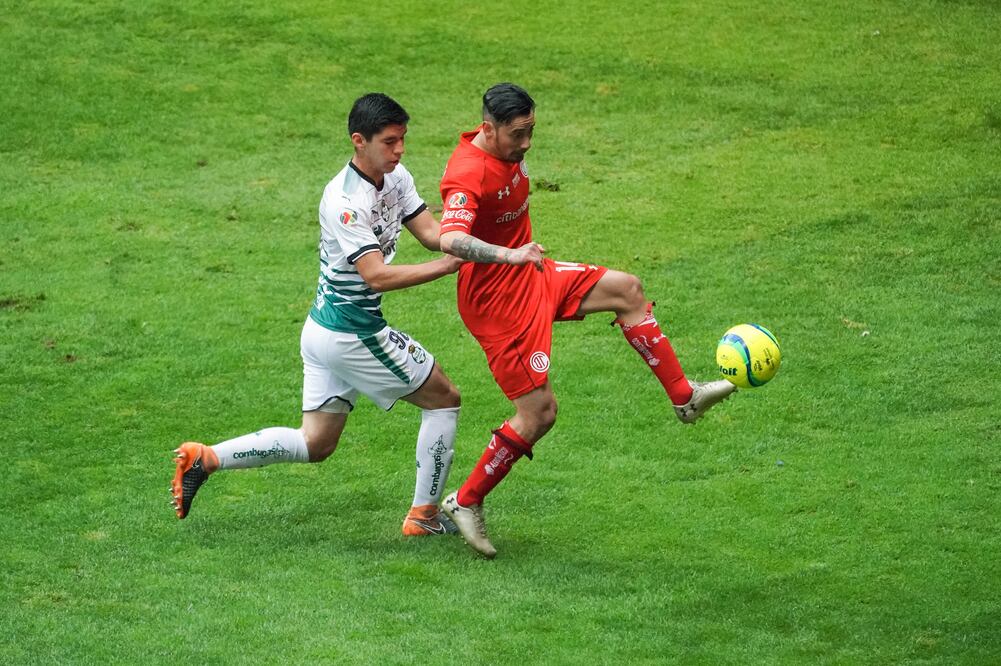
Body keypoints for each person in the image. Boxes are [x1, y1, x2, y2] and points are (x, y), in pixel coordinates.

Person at [437, 83, 736, 558]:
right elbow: (450, 240)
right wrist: (508, 254)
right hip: (497, 302)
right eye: (518, 134)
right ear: (490, 130)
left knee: (628, 290)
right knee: (540, 414)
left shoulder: (506, 150)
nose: (527, 143)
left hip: (533, 275)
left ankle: (686, 397)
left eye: (532, 130)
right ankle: (466, 500)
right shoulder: (468, 172)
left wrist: (520, 258)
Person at [171, 93, 465, 537]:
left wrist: (471, 240)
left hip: (323, 330)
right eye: (390, 142)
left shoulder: (396, 175)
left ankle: (206, 457)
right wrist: (447, 267)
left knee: (316, 442)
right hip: (354, 334)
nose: (400, 150)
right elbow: (376, 276)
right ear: (358, 141)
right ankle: (423, 516)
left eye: (403, 139)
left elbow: (430, 233)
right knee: (444, 397)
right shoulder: (344, 200)